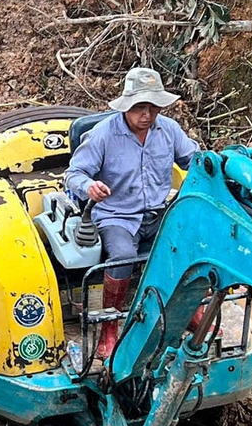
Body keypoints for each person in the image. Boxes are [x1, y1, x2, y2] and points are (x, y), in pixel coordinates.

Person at [64, 67, 199, 361]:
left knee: (189, 244)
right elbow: (74, 174)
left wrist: (211, 168)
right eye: (140, 108)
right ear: (126, 106)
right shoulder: (102, 135)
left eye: (153, 107)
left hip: (157, 210)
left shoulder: (170, 131)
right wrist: (90, 186)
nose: (147, 115)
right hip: (117, 215)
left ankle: (188, 309)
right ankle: (110, 325)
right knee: (123, 256)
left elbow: (194, 160)